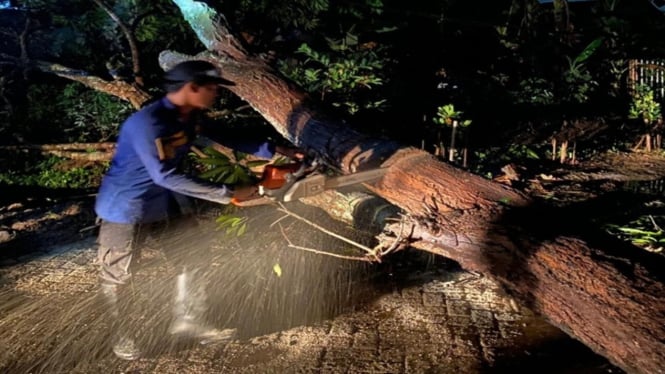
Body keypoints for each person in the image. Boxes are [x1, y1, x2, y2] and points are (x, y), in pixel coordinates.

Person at [94, 59, 298, 360]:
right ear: (192, 88)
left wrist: (280, 150)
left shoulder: (190, 116)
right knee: (119, 276)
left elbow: (230, 136)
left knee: (194, 257)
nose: (216, 95)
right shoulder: (147, 123)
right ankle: (122, 335)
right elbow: (164, 174)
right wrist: (227, 193)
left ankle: (190, 321)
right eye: (213, 88)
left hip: (166, 202)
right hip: (126, 208)